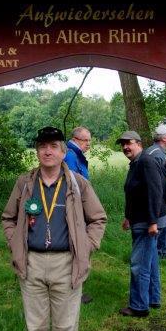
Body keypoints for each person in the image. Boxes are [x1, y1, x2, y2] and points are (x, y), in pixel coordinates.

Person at [2, 126, 106, 331]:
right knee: (35, 327)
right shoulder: (25, 183)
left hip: (66, 264)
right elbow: (8, 218)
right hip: (32, 263)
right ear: (37, 151)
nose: (47, 151)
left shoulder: (77, 184)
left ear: (63, 151)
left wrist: (86, 246)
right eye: (42, 146)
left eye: (53, 146)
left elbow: (98, 218)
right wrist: (15, 244)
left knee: (64, 327)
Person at [117, 130, 166, 317]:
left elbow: (155, 192)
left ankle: (139, 306)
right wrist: (128, 217)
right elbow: (135, 193)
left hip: (147, 222)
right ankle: (153, 298)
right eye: (122, 144)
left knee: (139, 265)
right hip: (140, 219)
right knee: (151, 262)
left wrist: (152, 222)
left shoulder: (146, 161)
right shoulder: (136, 163)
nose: (125, 147)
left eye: (128, 143)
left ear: (138, 143)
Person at [64, 126, 93, 304]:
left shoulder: (75, 154)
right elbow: (72, 184)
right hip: (74, 209)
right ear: (75, 139)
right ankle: (72, 290)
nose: (88, 144)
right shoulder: (70, 156)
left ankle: (74, 287)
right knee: (75, 246)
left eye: (89, 140)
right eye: (85, 140)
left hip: (79, 207)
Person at [145, 124, 166, 259]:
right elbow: (157, 178)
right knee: (160, 222)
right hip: (156, 195)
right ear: (164, 138)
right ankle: (157, 254)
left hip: (158, 194)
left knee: (163, 220)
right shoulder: (157, 154)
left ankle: (162, 252)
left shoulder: (154, 151)